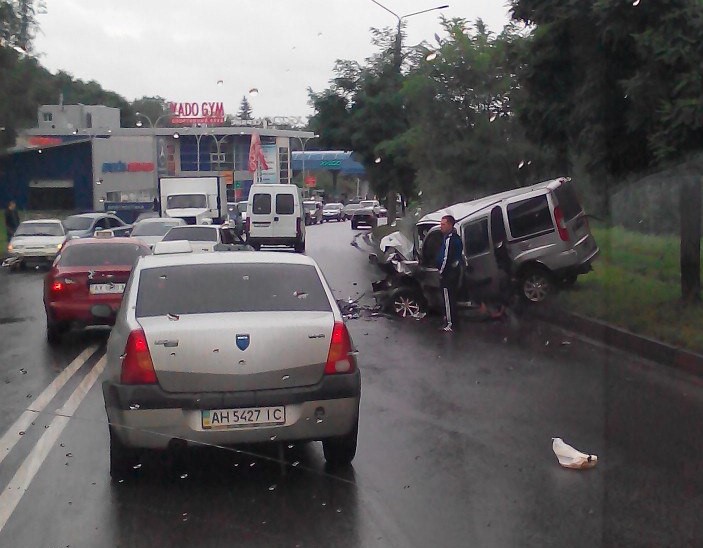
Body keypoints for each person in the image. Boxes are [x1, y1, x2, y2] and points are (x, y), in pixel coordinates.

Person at [436, 214, 463, 332]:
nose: (441, 226)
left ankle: (450, 323)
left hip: (448, 274)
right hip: (453, 273)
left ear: (450, 225)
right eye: (440, 224)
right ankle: (451, 320)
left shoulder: (450, 239)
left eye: (443, 224)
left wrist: (440, 272)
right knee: (451, 298)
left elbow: (446, 258)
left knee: (448, 299)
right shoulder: (454, 238)